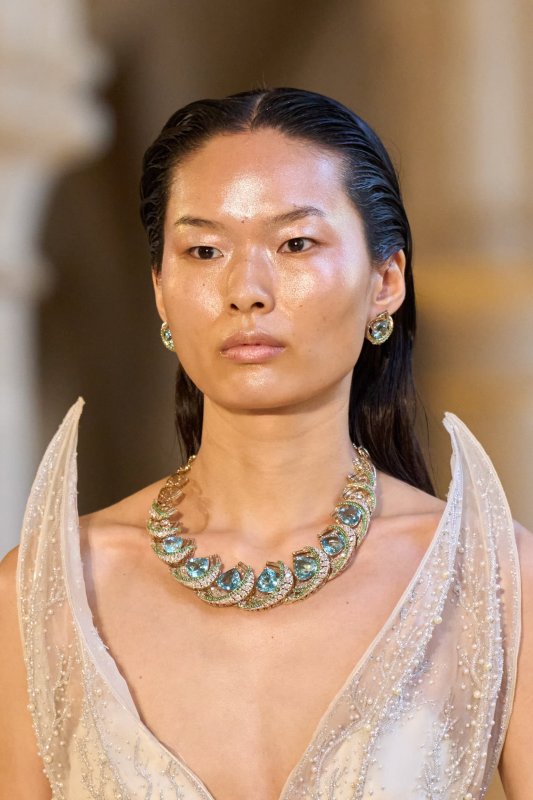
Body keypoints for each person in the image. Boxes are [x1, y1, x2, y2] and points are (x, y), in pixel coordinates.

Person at [0, 87, 531, 800]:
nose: (246, 290)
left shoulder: (496, 580)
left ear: (385, 280)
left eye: (295, 244)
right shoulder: (45, 592)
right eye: (204, 250)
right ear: (160, 290)